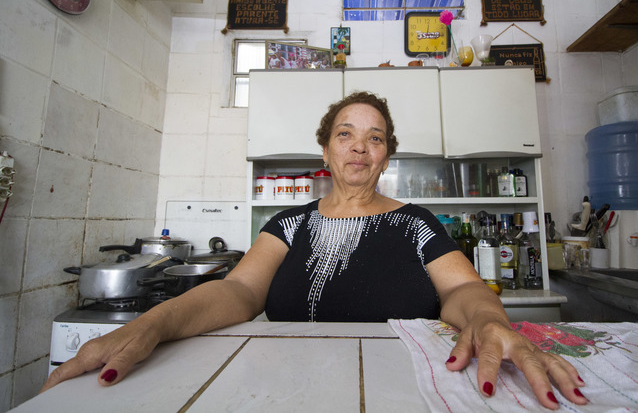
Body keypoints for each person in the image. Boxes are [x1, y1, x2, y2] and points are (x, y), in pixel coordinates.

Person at [42, 92, 587, 410]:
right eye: (346, 134)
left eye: (375, 138)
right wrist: (154, 324)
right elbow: (236, 293)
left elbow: (465, 289)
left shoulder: (416, 224)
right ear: (326, 149)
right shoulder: (288, 224)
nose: (359, 146)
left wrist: (490, 321)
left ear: (386, 155)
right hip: (282, 396)